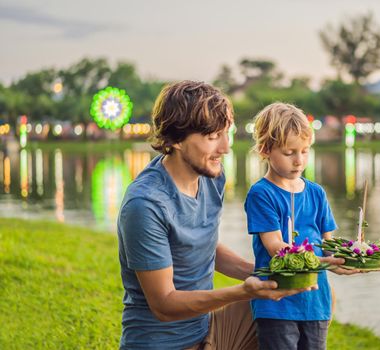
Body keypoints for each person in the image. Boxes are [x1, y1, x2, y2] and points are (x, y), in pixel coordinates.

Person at [117, 81, 314, 350]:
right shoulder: (146, 204)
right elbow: (163, 305)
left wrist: (270, 276)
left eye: (226, 133)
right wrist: (242, 291)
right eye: (212, 137)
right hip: (163, 343)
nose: (225, 148)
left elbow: (204, 246)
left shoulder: (211, 176)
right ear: (175, 140)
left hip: (208, 330)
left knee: (305, 306)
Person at [244, 102, 363, 350]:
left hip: (315, 301)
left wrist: (348, 257)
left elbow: (327, 243)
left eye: (305, 151)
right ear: (266, 149)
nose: (299, 161)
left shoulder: (316, 193)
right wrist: (324, 261)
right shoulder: (262, 194)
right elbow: (275, 247)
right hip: (278, 304)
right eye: (289, 153)